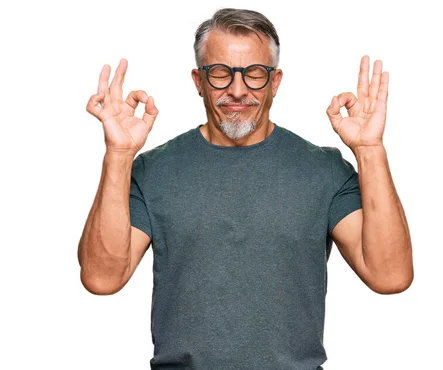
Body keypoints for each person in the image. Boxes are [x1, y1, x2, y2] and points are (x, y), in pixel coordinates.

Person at [78, 7, 413, 370]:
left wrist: (369, 150)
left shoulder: (323, 171)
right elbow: (102, 278)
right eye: (220, 74)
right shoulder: (152, 170)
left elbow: (390, 275)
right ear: (198, 81)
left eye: (255, 74)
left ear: (275, 81)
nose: (237, 91)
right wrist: (119, 155)